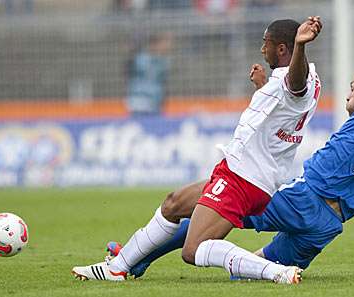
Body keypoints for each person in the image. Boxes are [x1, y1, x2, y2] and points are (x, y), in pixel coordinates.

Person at [105, 28, 354, 281]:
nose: (348, 93)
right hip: (327, 226)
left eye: (353, 86)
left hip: (303, 200)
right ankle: (138, 257)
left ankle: (136, 258)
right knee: (248, 273)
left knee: (215, 207)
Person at [72, 17, 323, 284]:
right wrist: (263, 87)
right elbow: (283, 112)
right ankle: (117, 268)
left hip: (244, 177)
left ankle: (275, 271)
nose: (263, 49)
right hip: (244, 172)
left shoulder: (298, 78)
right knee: (173, 204)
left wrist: (300, 46)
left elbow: (297, 85)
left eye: (266, 43)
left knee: (193, 249)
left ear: (282, 49)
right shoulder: (293, 81)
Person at [126, 32, 172, 115]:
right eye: (164, 42)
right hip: (139, 101)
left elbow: (163, 82)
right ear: (154, 44)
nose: (167, 46)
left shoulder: (164, 62)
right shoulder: (139, 59)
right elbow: (129, 73)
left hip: (155, 103)